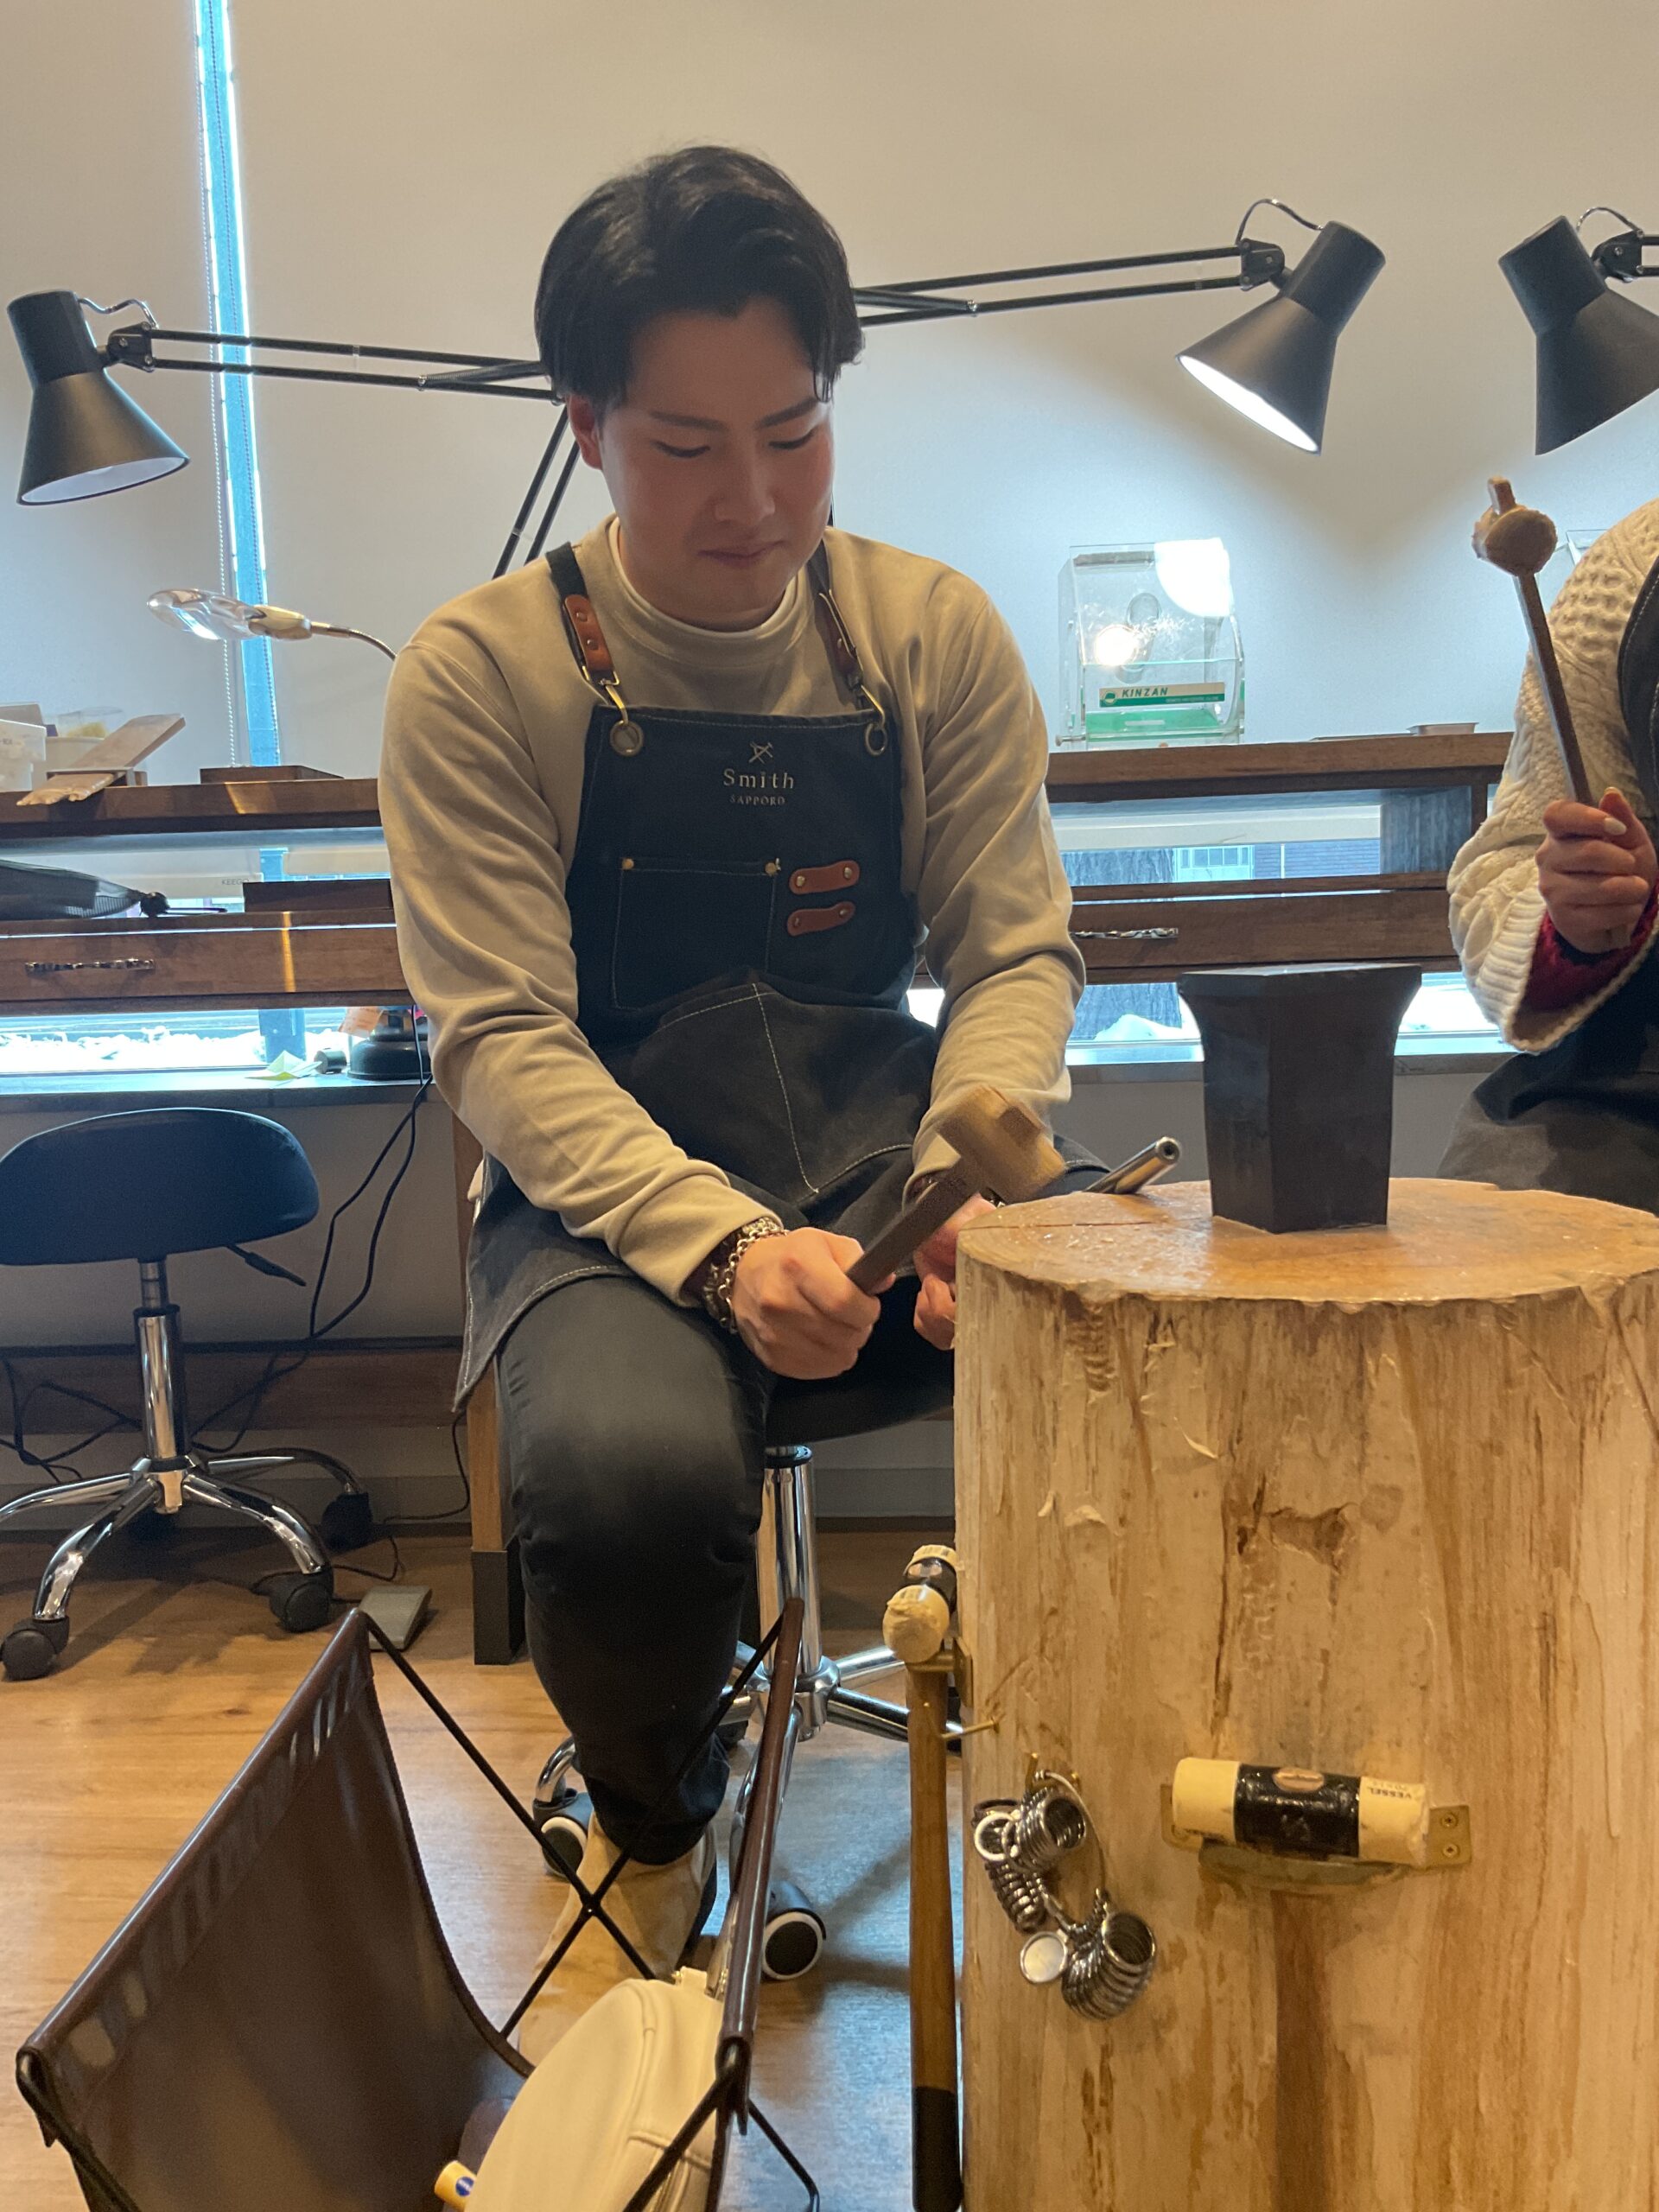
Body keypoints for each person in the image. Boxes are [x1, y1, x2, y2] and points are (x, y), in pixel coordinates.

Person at [380, 144, 1095, 2054]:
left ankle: (1109, 1762)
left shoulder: (928, 633)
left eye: (795, 432)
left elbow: (1015, 952)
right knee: (621, 1488)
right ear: (587, 426)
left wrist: (967, 1177)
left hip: (888, 1151)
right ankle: (655, 1813)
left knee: (1154, 1337)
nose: (756, 499)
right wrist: (717, 1245)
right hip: (611, 1191)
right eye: (688, 445)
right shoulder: (481, 673)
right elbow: (503, 1036)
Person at [1442, 495, 1659, 1202]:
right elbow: (1510, 863)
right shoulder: (1627, 574)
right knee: (1499, 1231)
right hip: (1630, 1090)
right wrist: (1581, 921)